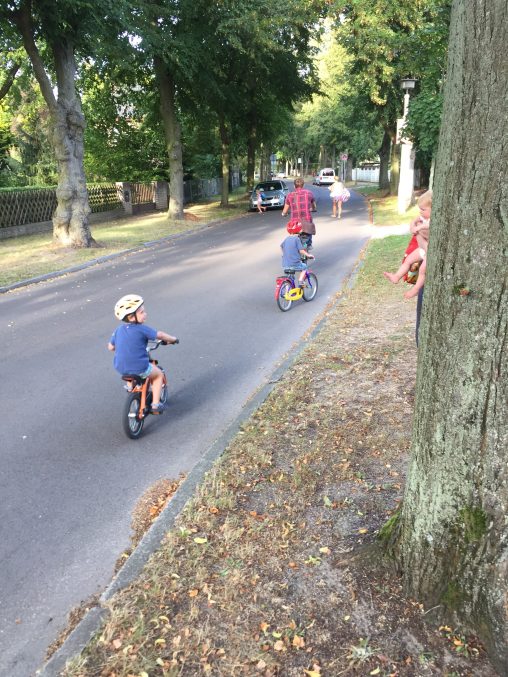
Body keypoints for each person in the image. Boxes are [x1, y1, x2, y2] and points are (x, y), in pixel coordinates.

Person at [108, 294, 178, 413]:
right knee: (158, 375)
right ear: (131, 317)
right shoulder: (141, 328)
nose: (145, 314)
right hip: (139, 367)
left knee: (129, 366)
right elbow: (160, 335)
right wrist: (173, 339)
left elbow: (110, 347)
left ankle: (131, 387)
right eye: (141, 312)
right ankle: (156, 404)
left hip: (120, 367)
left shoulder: (118, 330)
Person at [383, 189, 432, 303]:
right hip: (422, 248)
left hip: (430, 251)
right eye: (419, 209)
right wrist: (412, 226)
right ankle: (396, 276)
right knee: (408, 259)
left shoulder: (431, 219)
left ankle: (416, 289)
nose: (420, 212)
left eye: (423, 209)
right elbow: (413, 221)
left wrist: (419, 228)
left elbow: (427, 226)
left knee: (423, 270)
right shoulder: (422, 217)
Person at [281, 177, 317, 249]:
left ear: (294, 186)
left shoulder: (289, 195)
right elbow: (314, 206)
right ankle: (308, 245)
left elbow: (285, 210)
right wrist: (313, 209)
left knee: (294, 236)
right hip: (306, 220)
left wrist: (283, 214)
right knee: (309, 227)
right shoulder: (309, 193)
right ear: (303, 185)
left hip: (295, 223)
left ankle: (297, 247)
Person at [280, 223, 315, 287]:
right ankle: (300, 281)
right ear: (299, 230)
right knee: (304, 267)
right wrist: (308, 255)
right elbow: (301, 250)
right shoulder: (297, 239)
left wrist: (284, 254)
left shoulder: (286, 239)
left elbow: (282, 246)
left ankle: (288, 289)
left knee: (290, 278)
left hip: (285, 264)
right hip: (294, 263)